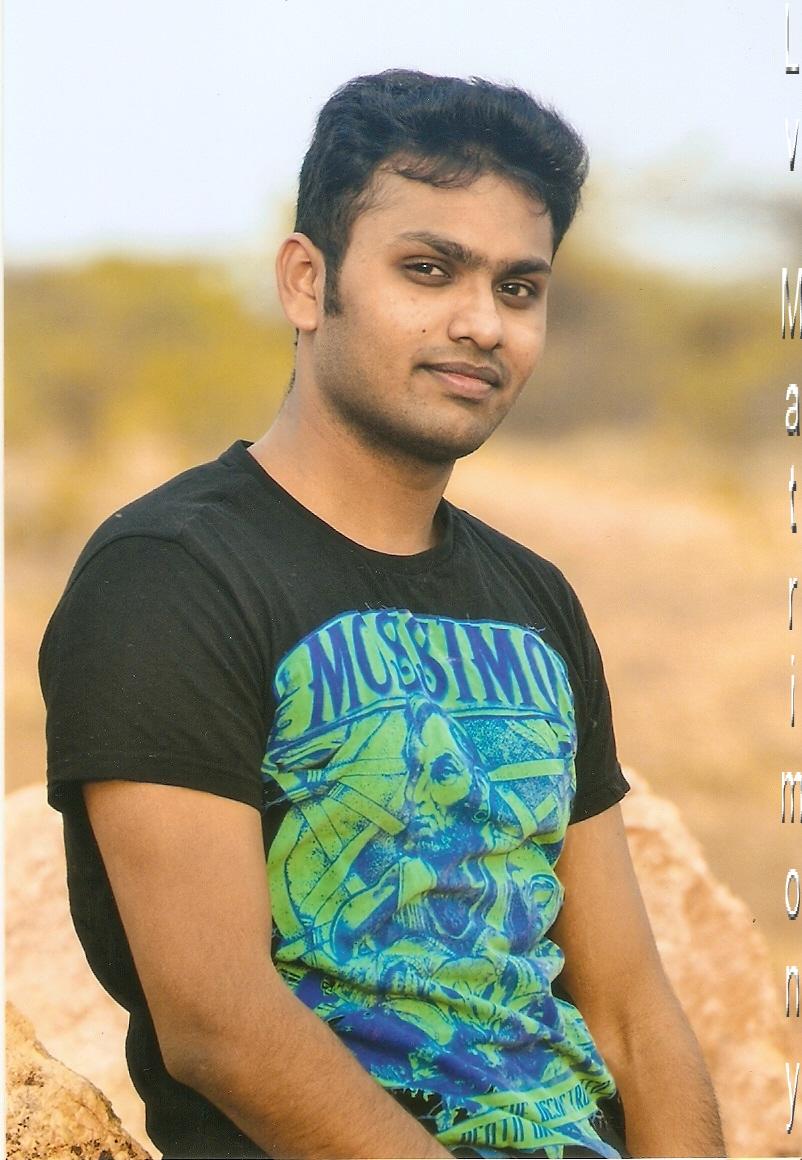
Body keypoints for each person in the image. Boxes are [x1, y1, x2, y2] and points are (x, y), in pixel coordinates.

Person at [40, 70, 725, 1160]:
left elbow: (634, 1010)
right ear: (307, 283)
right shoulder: (169, 577)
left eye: (518, 287)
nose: (480, 323)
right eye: (428, 269)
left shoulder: (535, 600)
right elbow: (219, 1024)